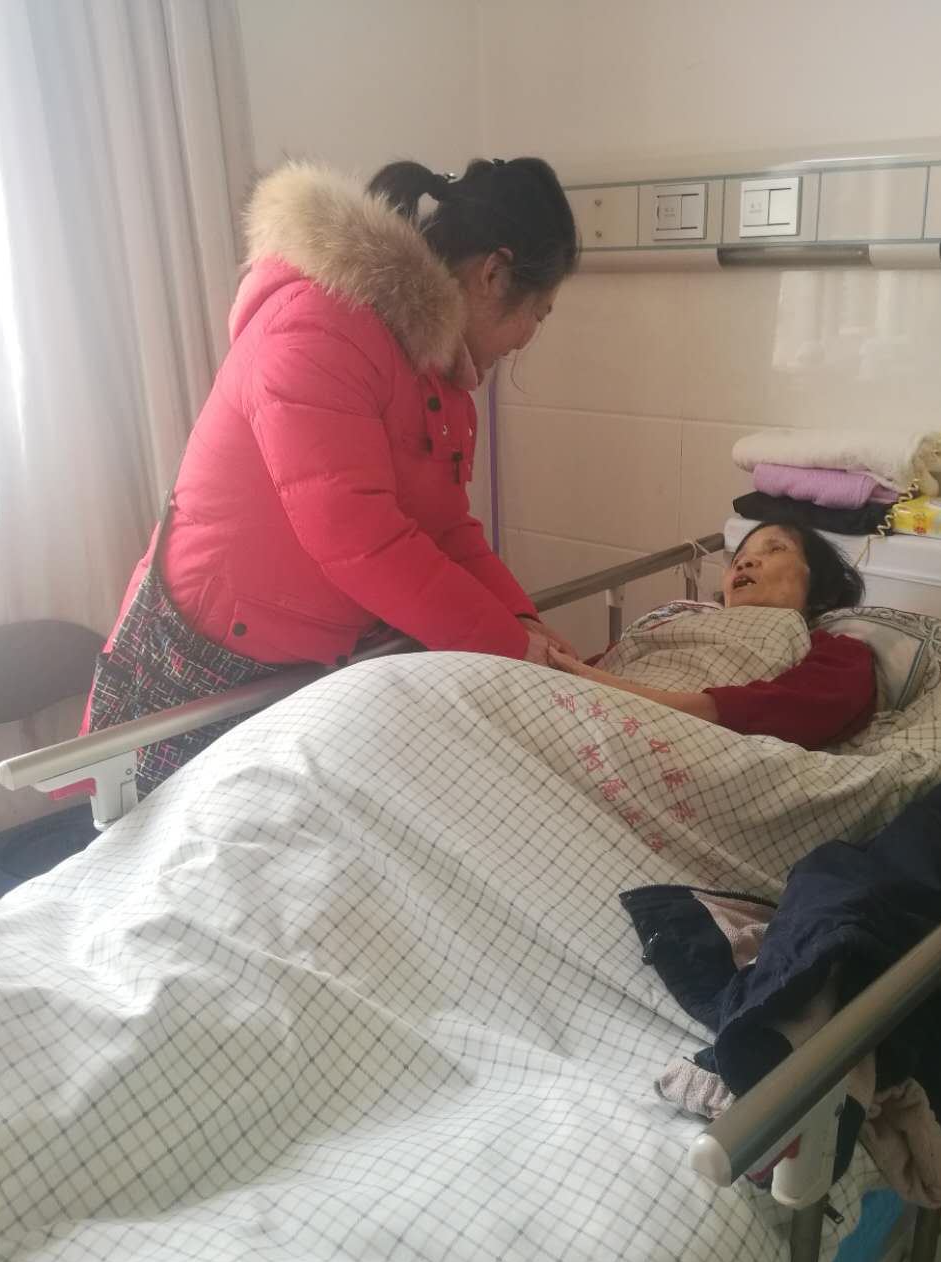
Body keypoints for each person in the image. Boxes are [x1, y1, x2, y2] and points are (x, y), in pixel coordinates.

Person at [80, 155, 580, 795]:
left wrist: (522, 621)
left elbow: (446, 530)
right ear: (494, 273)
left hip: (310, 654)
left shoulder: (435, 369)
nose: (528, 337)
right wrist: (508, 646)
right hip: (211, 658)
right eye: (540, 312)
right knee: (178, 842)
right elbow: (360, 540)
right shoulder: (318, 325)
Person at [549, 522, 876, 749]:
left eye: (775, 549)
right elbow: (607, 663)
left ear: (820, 587)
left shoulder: (836, 651)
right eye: (738, 558)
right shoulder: (675, 620)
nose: (745, 562)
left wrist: (626, 698)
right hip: (587, 706)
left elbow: (799, 710)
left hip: (651, 730)